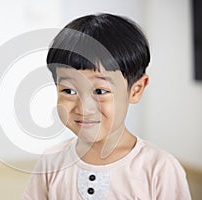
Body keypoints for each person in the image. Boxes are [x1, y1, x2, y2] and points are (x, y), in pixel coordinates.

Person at [22, 13, 191, 199]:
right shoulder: (51, 162)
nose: (84, 108)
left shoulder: (159, 168)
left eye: (100, 91)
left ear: (135, 90)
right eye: (69, 91)